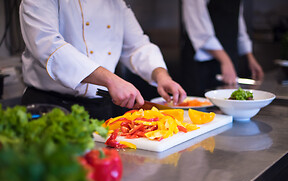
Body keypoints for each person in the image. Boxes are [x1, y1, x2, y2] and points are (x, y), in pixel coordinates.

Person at [19, 0, 186, 120]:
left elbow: (138, 46)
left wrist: (161, 76)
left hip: (100, 109)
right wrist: (111, 80)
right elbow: (49, 47)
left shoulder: (116, 3)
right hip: (50, 108)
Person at [180, 0, 264, 96]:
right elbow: (198, 28)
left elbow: (237, 21)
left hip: (229, 61)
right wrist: (225, 60)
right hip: (203, 65)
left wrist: (249, 57)